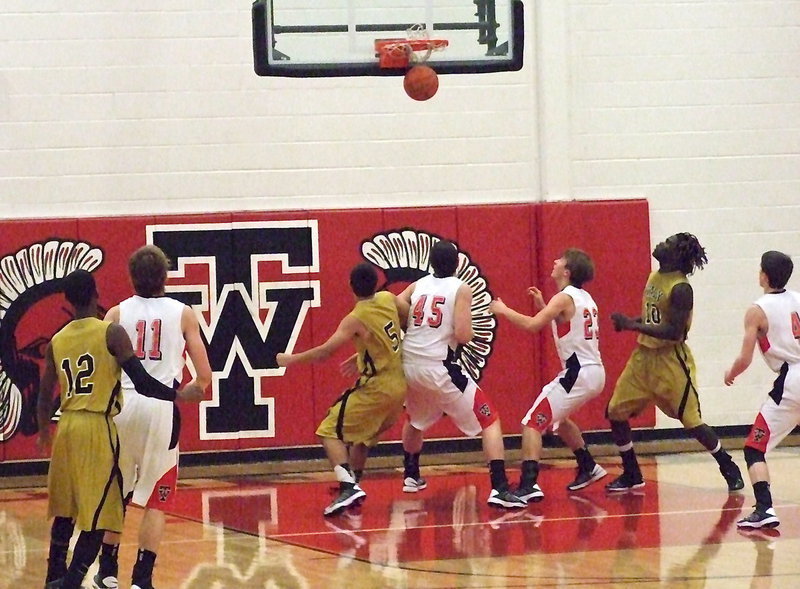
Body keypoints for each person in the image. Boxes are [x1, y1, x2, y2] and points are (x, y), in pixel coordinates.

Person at [37, 269, 201, 589]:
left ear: (67, 301)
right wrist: (178, 395)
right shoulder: (111, 332)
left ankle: (54, 575)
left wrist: (44, 432)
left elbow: (44, 397)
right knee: (105, 509)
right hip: (97, 423)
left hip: (66, 426)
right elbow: (142, 382)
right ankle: (73, 579)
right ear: (96, 294)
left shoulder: (57, 340)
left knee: (65, 509)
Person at [93, 245, 212, 589]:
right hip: (161, 407)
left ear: (131, 276)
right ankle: (141, 579)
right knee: (156, 500)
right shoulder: (183, 313)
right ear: (165, 276)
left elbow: (102, 368)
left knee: (116, 493)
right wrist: (190, 391)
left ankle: (107, 571)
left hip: (122, 406)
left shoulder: (116, 313)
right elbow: (204, 375)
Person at [606, 232, 744, 492]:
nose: (661, 244)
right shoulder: (655, 276)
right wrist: (632, 322)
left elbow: (674, 331)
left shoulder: (681, 289)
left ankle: (727, 465)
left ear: (676, 256)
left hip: (671, 361)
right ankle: (632, 473)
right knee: (615, 412)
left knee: (692, 422)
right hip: (642, 359)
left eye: (667, 243)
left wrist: (632, 326)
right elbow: (655, 318)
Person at [399, 239, 525, 509]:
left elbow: (397, 302)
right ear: (457, 263)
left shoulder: (418, 285)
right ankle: (500, 487)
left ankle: (410, 474)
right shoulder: (461, 288)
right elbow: (463, 334)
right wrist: (470, 330)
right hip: (439, 365)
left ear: (431, 263)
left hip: (410, 363)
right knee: (489, 419)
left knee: (415, 418)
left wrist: (413, 325)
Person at [277, 262, 408, 516]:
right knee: (362, 439)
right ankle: (353, 484)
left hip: (377, 388)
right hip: (399, 385)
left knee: (328, 431)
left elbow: (325, 352)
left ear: (350, 286)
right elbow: (407, 320)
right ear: (377, 283)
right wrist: (363, 354)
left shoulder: (356, 318)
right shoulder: (388, 298)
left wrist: (290, 360)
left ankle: (348, 487)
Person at [489, 249, 607, 502]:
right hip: (593, 371)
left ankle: (529, 484)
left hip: (579, 372)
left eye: (560, 260)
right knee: (559, 420)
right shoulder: (584, 297)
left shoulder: (564, 297)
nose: (554, 261)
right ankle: (588, 465)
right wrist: (544, 305)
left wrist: (503, 310)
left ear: (567, 271)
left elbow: (533, 325)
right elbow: (565, 322)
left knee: (532, 422)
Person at [724, 250, 800, 529]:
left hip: (792, 381)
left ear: (764, 276)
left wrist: (731, 374)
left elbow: (745, 359)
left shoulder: (757, 310)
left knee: (754, 447)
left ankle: (764, 508)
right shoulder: (798, 299)